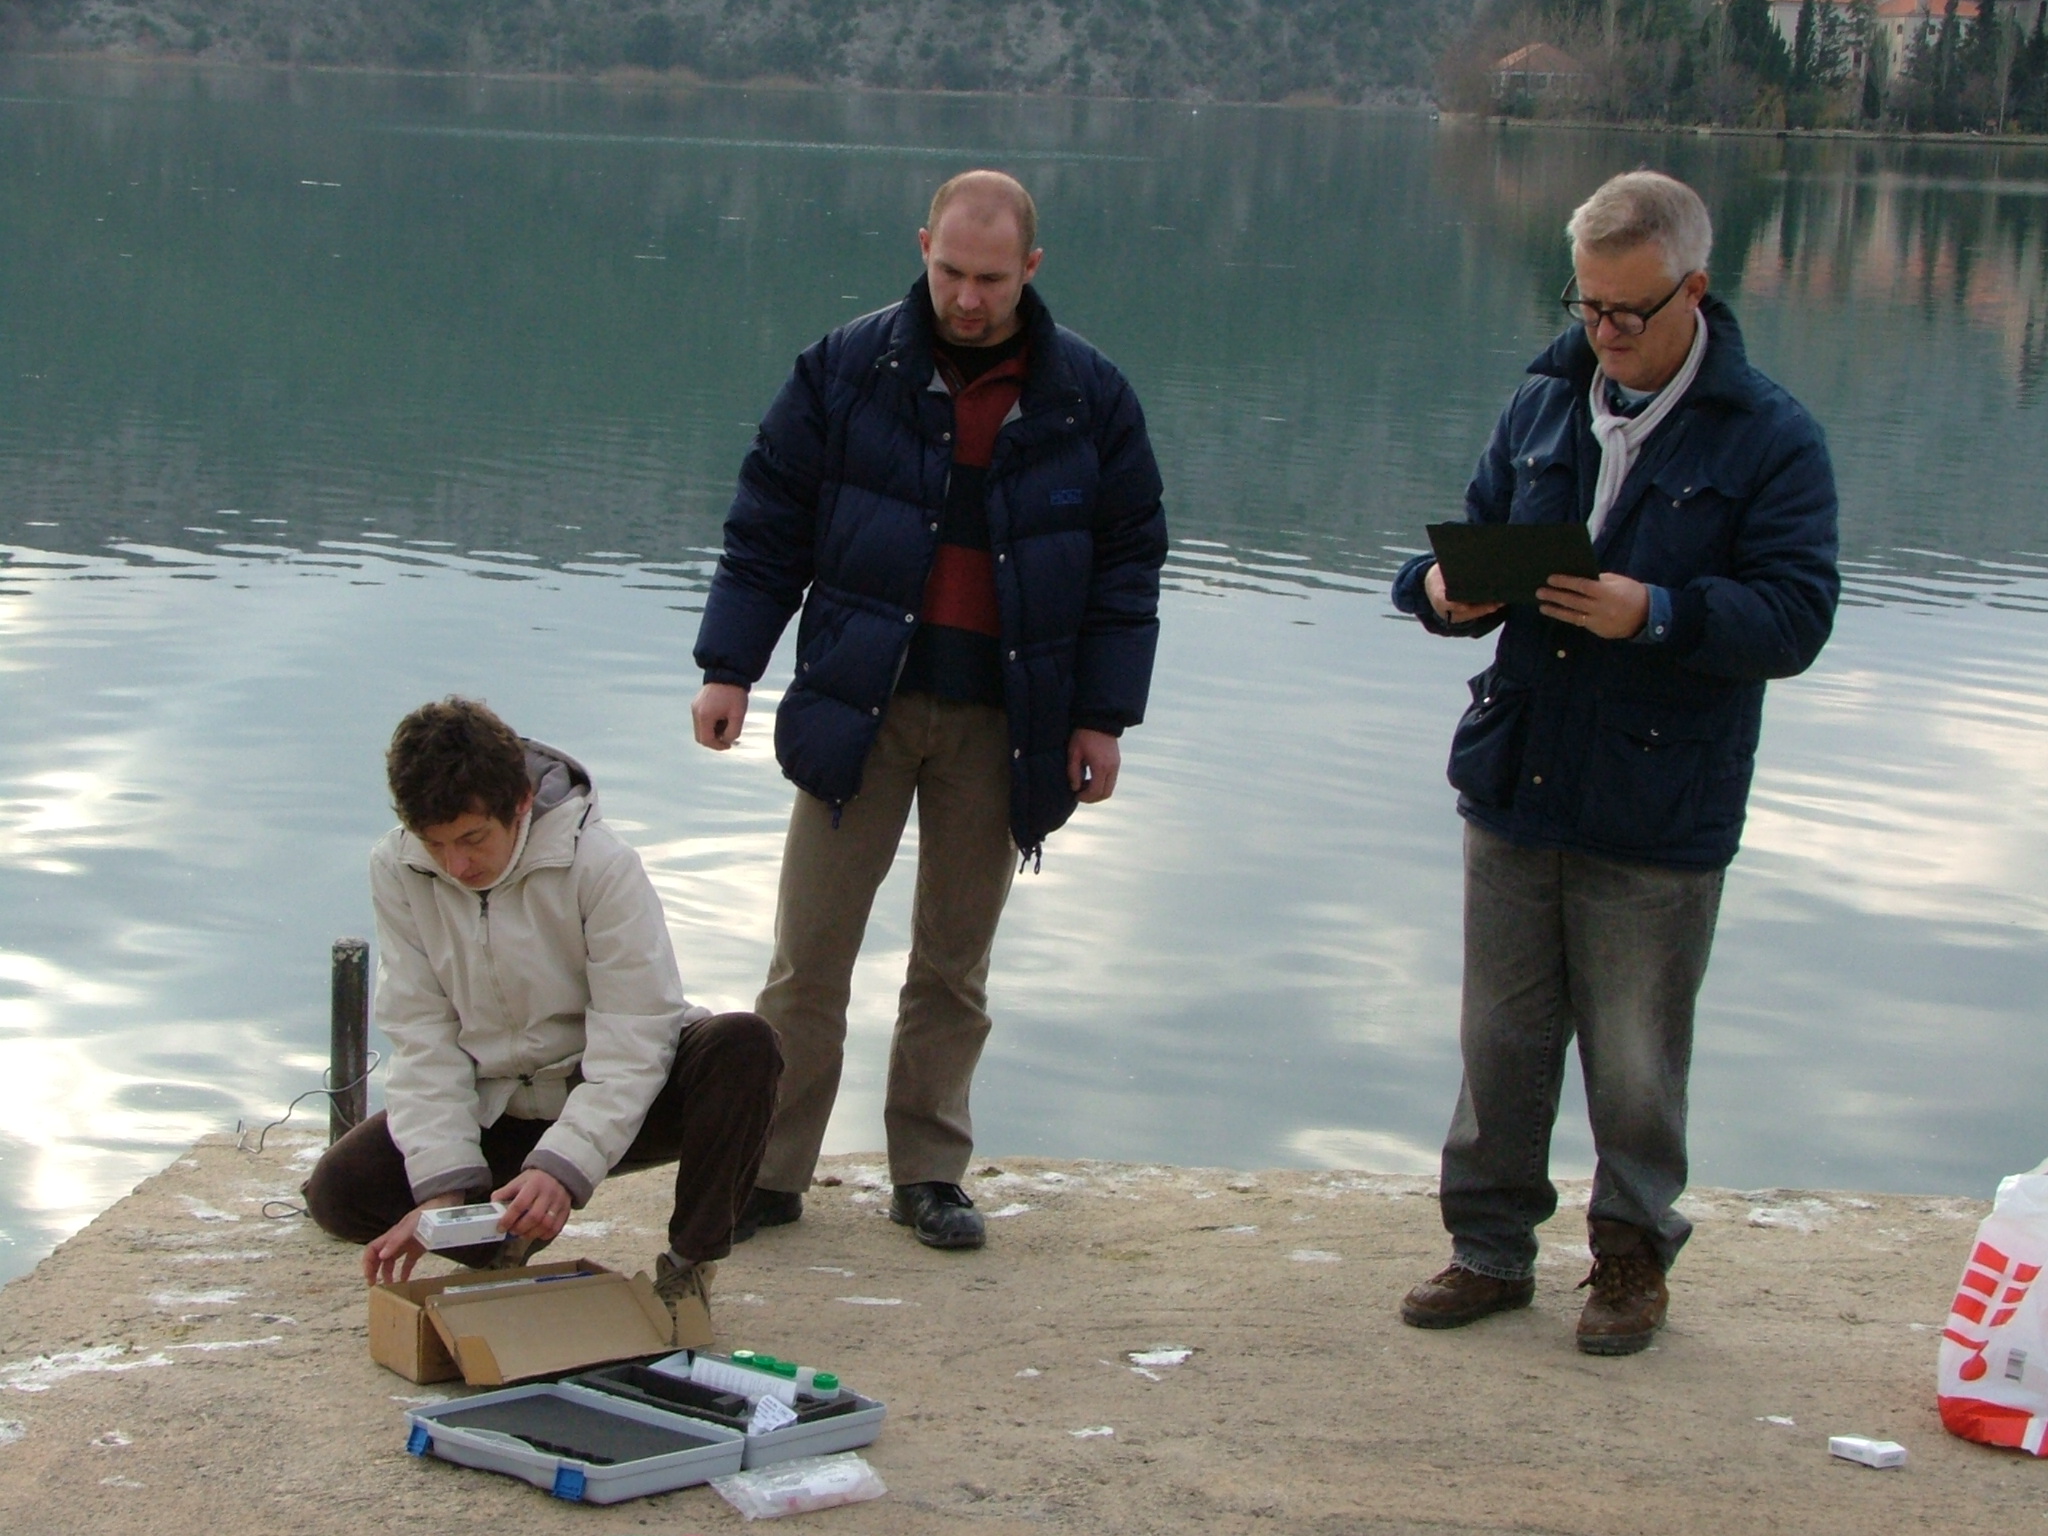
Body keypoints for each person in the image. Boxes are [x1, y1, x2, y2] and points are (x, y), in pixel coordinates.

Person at [1389, 171, 1840, 1355]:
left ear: (1694, 290)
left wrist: (1658, 613)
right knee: (1497, 1044)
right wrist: (1440, 591)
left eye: (1628, 310)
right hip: (1517, 775)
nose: (1602, 331)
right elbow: (1461, 547)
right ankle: (1487, 1250)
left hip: (1658, 800)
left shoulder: (1771, 437)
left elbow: (1795, 618)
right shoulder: (1541, 404)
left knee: (1636, 1059)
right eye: (1585, 304)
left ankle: (1630, 1263)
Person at [690, 170, 1166, 1251]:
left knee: (954, 964)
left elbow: (1127, 566)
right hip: (859, 704)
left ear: (1029, 269)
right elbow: (767, 522)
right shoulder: (845, 369)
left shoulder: (1089, 397)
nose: (967, 297)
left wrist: (1101, 718)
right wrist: (729, 666)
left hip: (1004, 721)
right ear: (922, 248)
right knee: (808, 959)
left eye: (990, 278)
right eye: (950, 271)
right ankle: (769, 1171)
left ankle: (930, 1174)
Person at [304, 697, 782, 1328]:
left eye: (473, 839)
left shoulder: (601, 864)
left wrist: (564, 1167)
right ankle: (500, 1238)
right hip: (498, 1100)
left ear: (522, 803)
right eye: (434, 843)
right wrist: (443, 1196)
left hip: (612, 1088)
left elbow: (635, 1036)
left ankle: (688, 1268)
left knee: (744, 1045)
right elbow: (421, 1035)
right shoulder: (398, 868)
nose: (456, 866)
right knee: (338, 1192)